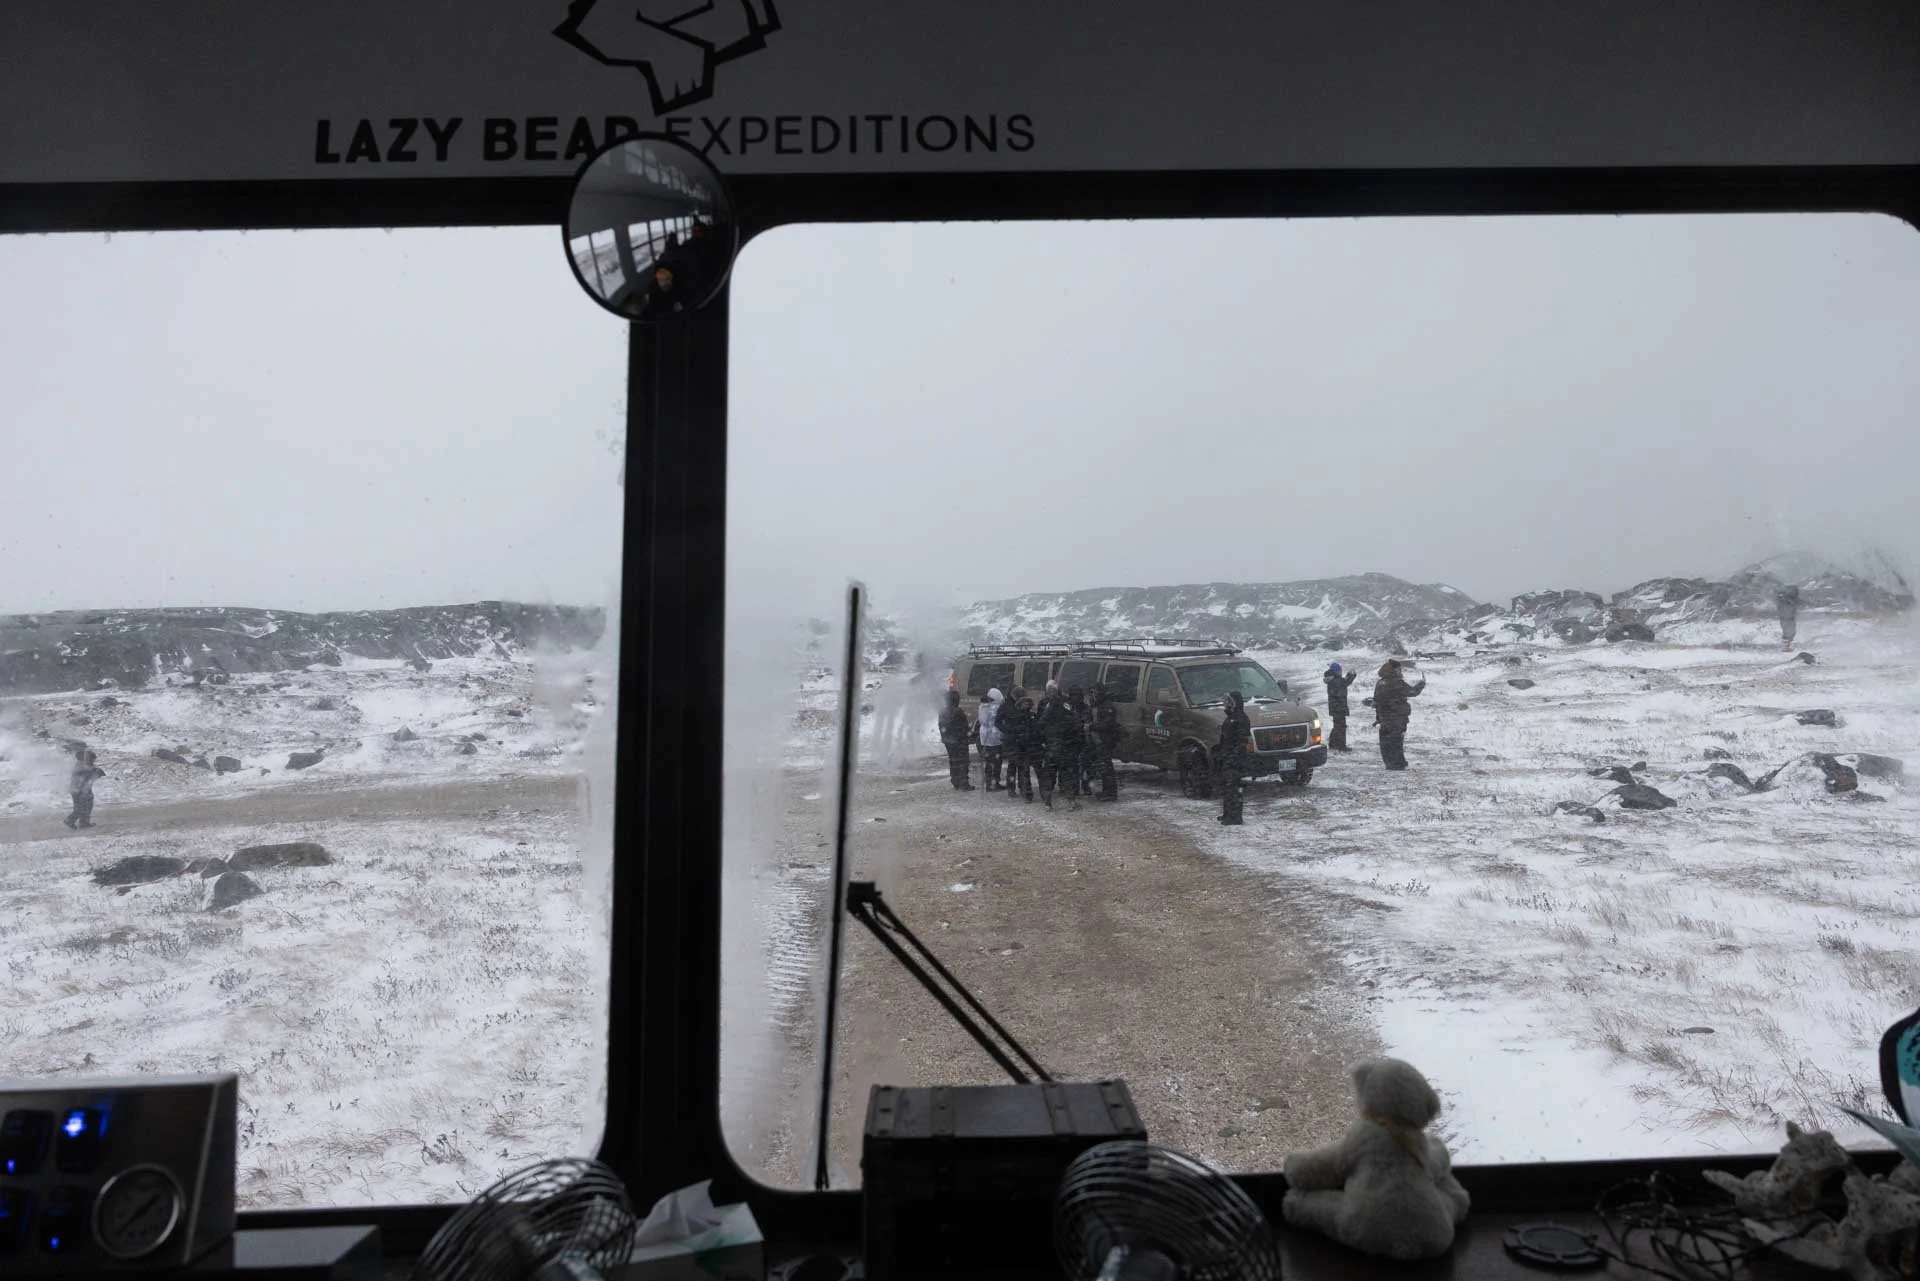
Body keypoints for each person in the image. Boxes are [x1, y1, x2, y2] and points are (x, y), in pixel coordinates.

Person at [1372, 659, 1427, 771]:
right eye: (1399, 669)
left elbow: (1376, 701)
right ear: (1394, 670)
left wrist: (1378, 718)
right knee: (1396, 741)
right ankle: (1397, 764)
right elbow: (1412, 692)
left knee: (1386, 742)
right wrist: (1421, 684)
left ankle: (1390, 763)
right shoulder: (1396, 682)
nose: (1400, 671)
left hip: (1385, 718)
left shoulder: (1380, 683)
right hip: (1397, 717)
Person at [1036, 681, 1082, 810]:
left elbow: (1040, 724)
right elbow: (1074, 722)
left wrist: (1045, 738)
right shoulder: (1065, 705)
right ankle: (1071, 801)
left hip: (1052, 745)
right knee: (1066, 774)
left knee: (1050, 774)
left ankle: (1048, 802)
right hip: (1064, 745)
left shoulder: (1048, 707)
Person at [1216, 691, 1252, 825]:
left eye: (1229, 702)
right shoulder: (1231, 718)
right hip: (1228, 757)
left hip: (1235, 760)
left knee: (1234, 788)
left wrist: (1233, 758)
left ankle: (1235, 817)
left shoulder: (1240, 719)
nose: (1226, 705)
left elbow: (1242, 742)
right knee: (1227, 787)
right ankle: (1227, 813)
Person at [1000, 687, 1037, 802]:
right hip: (1013, 741)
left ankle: (1023, 789)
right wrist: (1008, 731)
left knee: (1022, 766)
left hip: (1021, 742)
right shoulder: (1007, 707)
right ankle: (1016, 789)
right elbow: (999, 722)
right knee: (1015, 765)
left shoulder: (1027, 713)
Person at [1089, 684, 1123, 801]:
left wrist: (1092, 726)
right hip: (1101, 740)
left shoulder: (1107, 707)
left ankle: (1111, 793)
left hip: (1106, 739)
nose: (1093, 696)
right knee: (1103, 766)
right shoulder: (1100, 705)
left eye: (1095, 693)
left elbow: (1106, 725)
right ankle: (1106, 791)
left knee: (1107, 767)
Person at [938, 689, 974, 791]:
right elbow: (964, 727)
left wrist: (945, 737)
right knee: (963, 762)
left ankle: (955, 781)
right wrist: (966, 736)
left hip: (949, 741)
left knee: (953, 761)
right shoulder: (959, 712)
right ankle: (964, 783)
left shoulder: (943, 712)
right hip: (959, 741)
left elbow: (940, 726)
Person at [65, 749, 106, 830]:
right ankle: (70, 820)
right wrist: (95, 770)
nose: (93, 761)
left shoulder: (82, 765)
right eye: (92, 759)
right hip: (79, 790)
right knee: (81, 808)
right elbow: (85, 773)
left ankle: (84, 822)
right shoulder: (81, 765)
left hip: (80, 790)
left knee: (87, 806)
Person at [1323, 661, 1359, 752]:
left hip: (1335, 707)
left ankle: (1333, 744)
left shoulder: (1333, 680)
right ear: (1336, 671)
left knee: (1337, 726)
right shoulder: (1336, 680)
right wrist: (1351, 675)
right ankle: (1341, 746)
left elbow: (1345, 682)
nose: (1341, 672)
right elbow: (1345, 682)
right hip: (1339, 707)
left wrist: (1350, 675)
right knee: (1341, 727)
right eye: (1340, 670)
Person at [977, 688, 1006, 791]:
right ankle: (994, 783)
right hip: (994, 738)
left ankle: (990, 783)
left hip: (985, 738)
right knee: (996, 761)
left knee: (989, 762)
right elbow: (998, 722)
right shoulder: (995, 708)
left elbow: (983, 721)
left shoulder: (983, 706)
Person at [1776, 584, 1802, 651]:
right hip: (1787, 618)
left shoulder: (1785, 599)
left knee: (1790, 632)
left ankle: (1786, 647)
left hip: (1787, 618)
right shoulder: (1786, 600)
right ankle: (1785, 647)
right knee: (1788, 632)